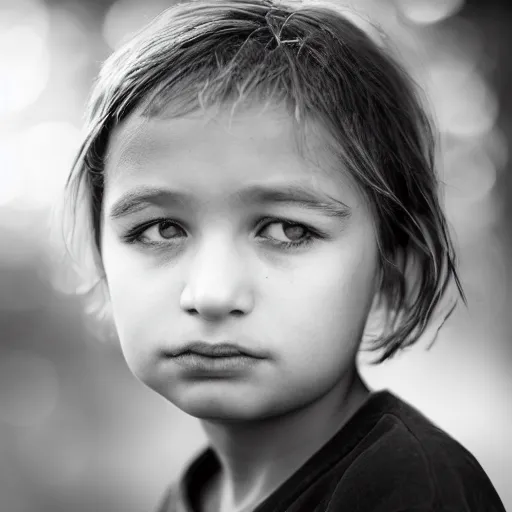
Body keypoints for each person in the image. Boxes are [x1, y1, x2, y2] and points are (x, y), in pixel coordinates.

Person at [57, 0, 507, 511]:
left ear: (391, 274)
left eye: (287, 229)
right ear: (102, 265)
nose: (211, 294)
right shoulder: (192, 496)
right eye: (161, 229)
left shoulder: (409, 489)